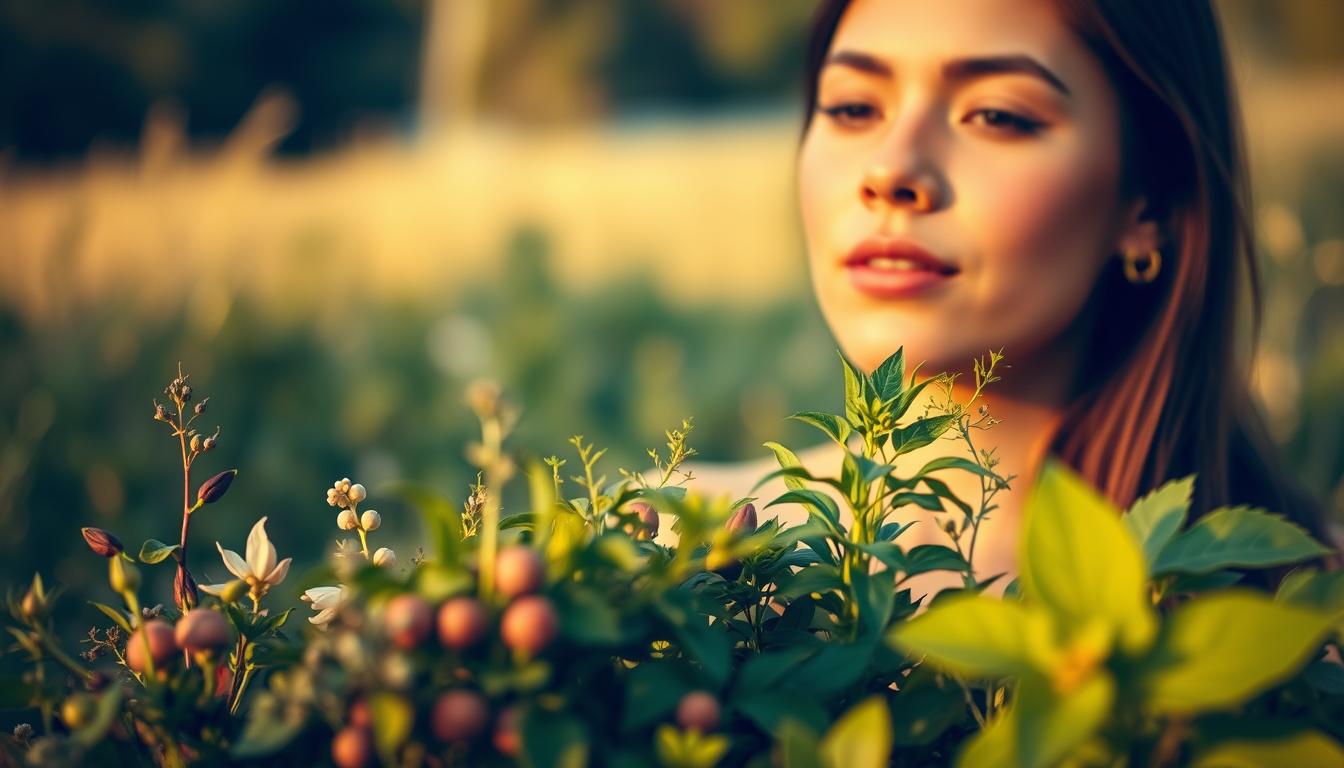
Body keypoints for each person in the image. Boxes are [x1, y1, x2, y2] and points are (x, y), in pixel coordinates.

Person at [655, 0, 1341, 598]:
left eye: (996, 115)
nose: (891, 169)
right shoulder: (667, 554)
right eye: (853, 107)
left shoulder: (1305, 617)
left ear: (1151, 200)